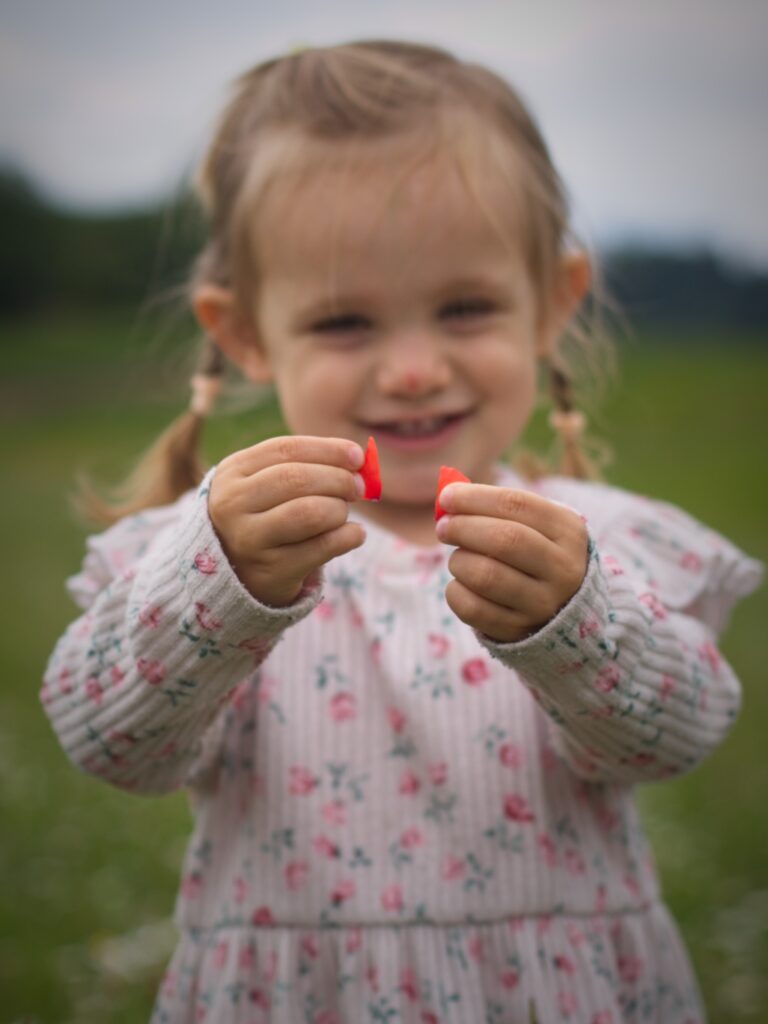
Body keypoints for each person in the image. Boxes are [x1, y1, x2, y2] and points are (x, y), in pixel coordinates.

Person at [41, 40, 763, 1024]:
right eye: (345, 322)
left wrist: (575, 622)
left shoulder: (596, 541)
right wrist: (215, 586)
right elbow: (110, 744)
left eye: (464, 307)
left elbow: (680, 735)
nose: (415, 368)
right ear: (246, 331)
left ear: (553, 302)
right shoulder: (213, 549)